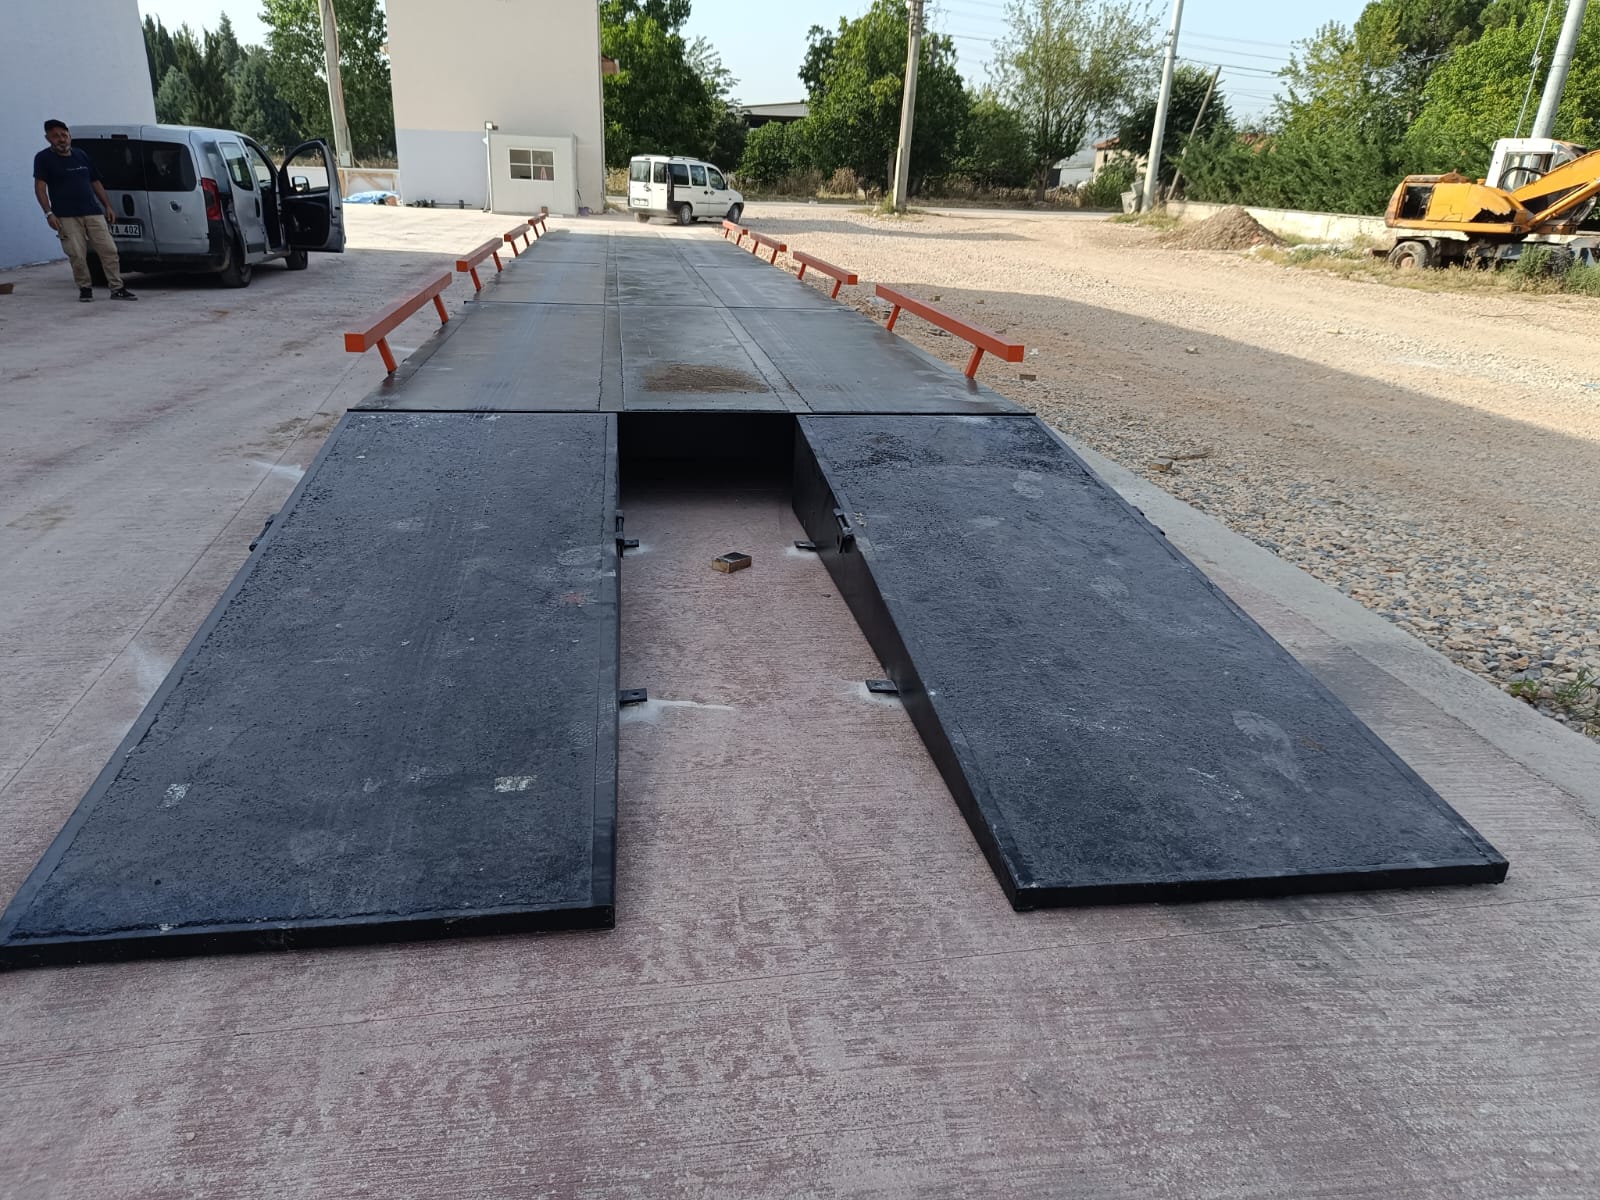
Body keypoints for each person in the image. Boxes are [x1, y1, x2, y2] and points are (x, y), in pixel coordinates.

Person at [32, 119, 137, 302]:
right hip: (65, 216)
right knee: (77, 254)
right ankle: (85, 288)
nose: (61, 139)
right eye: (55, 136)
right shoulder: (43, 159)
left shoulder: (81, 155)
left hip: (92, 212)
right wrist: (49, 213)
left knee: (109, 250)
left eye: (64, 135)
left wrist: (107, 206)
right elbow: (40, 188)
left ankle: (117, 288)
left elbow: (95, 181)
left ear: (69, 136)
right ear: (48, 138)